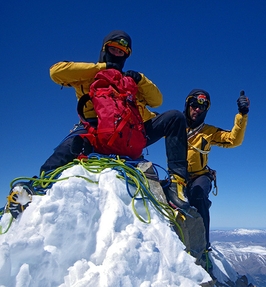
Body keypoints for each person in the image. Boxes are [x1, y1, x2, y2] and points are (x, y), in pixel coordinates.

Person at [40, 30, 190, 210]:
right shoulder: (88, 74)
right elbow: (56, 72)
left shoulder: (129, 81)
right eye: (114, 49)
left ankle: (177, 182)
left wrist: (141, 80)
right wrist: (102, 68)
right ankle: (39, 188)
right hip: (95, 129)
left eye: (122, 52)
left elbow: (157, 101)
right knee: (63, 153)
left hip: (132, 132)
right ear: (105, 49)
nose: (118, 54)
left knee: (174, 117)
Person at [183, 89, 250, 258]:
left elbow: (233, 140)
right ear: (188, 104)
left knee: (198, 196)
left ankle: (203, 245)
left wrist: (242, 114)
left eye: (202, 106)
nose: (198, 109)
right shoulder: (175, 125)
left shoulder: (208, 131)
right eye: (194, 105)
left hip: (200, 176)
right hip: (178, 176)